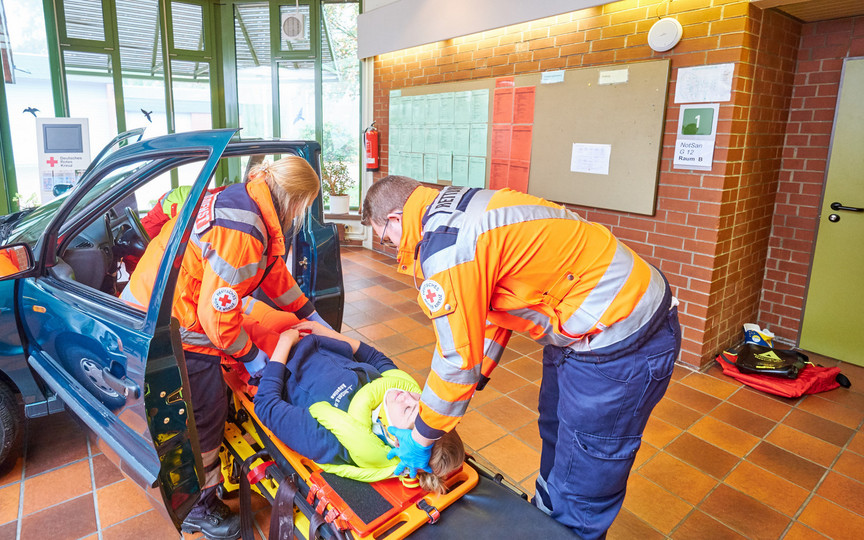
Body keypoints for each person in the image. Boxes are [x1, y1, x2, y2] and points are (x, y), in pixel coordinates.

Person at [360, 176, 682, 539]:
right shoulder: (461, 207)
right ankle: (544, 518)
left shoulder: (446, 247)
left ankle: (565, 530)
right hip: (587, 328)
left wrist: (420, 438)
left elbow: (455, 361)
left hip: (621, 339)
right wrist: (474, 381)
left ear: (395, 217)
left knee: (583, 473)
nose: (393, 248)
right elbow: (487, 315)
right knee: (556, 429)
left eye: (387, 239)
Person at [120, 156, 331, 540]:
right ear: (298, 202)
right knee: (205, 411)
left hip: (160, 296)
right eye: (305, 207)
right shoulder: (244, 229)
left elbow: (272, 271)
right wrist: (253, 358)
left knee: (212, 386)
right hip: (170, 318)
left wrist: (309, 314)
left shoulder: (247, 201)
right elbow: (215, 320)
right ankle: (198, 506)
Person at [246, 306, 465, 494]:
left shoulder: (335, 443)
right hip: (310, 339)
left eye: (409, 409)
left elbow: (266, 406)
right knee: (255, 304)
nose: (408, 395)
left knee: (226, 313)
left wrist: (284, 343)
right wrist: (325, 332)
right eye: (419, 399)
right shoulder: (394, 390)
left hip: (269, 360)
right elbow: (374, 357)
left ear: (395, 440)